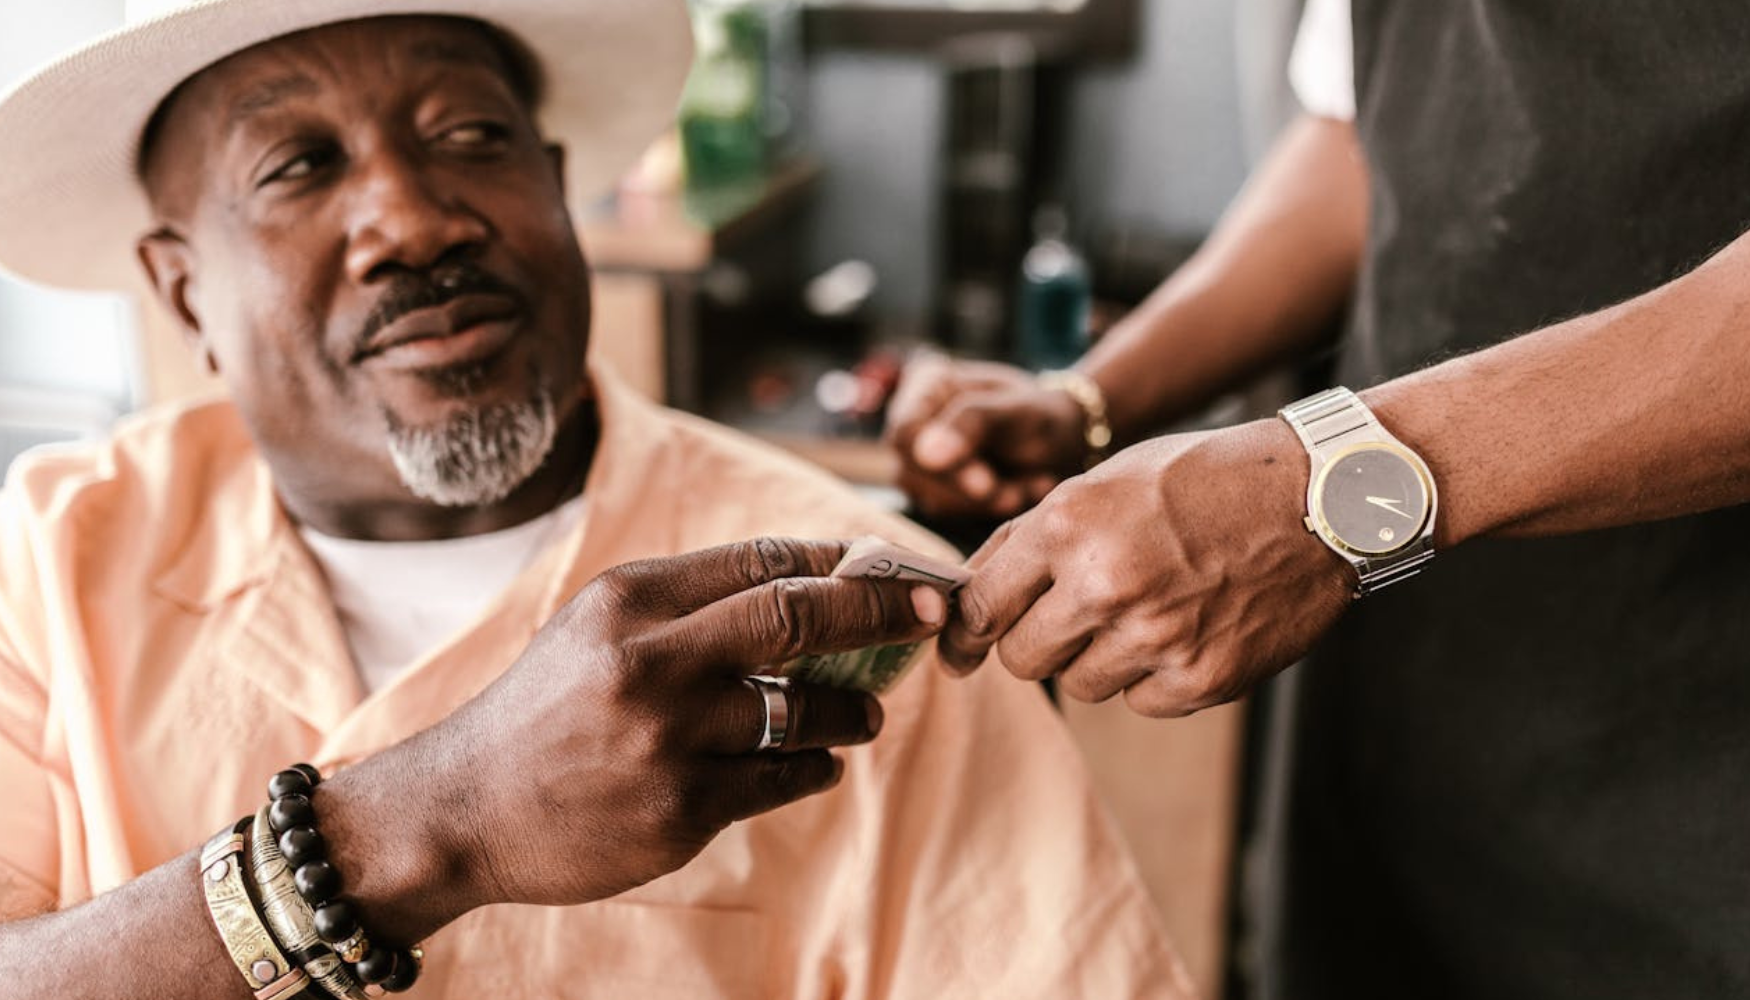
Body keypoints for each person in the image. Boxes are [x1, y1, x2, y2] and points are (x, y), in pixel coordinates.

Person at [0, 3, 1193, 996]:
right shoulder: (52, 556)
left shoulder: (850, 613)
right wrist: (427, 825)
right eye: (299, 166)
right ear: (183, 290)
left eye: (472, 135)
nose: (414, 222)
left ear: (557, 184)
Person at [888, 0, 1750, 996]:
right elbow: (1361, 137)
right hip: (1402, 722)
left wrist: (1330, 489)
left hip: (1702, 762)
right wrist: (1089, 399)